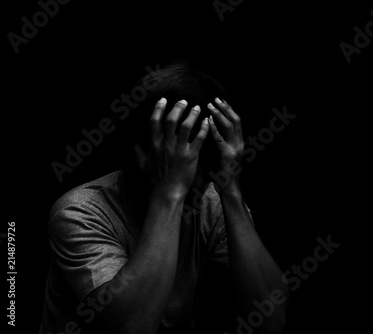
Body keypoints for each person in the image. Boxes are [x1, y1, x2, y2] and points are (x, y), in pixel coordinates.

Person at [39, 62, 289, 334]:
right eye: (181, 159)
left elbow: (271, 319)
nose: (199, 179)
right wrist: (169, 193)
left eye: (205, 159)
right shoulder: (80, 211)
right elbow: (133, 327)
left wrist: (230, 188)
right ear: (143, 153)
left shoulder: (212, 201)